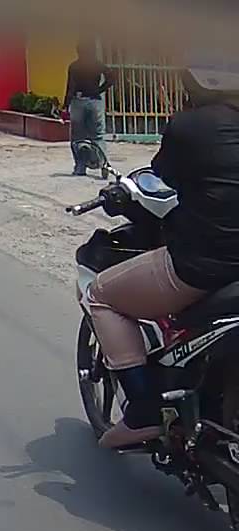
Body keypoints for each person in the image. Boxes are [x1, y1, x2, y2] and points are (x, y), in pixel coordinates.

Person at [86, 64, 239, 449]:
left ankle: (143, 412)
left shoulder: (190, 126)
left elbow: (160, 180)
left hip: (206, 265)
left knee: (100, 295)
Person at [64, 40, 115, 177]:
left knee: (77, 137)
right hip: (95, 102)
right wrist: (99, 90)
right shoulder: (98, 65)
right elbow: (111, 78)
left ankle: (80, 166)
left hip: (78, 101)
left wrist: (65, 105)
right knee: (98, 136)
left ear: (79, 51)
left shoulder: (75, 66)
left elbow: (70, 87)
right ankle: (104, 164)